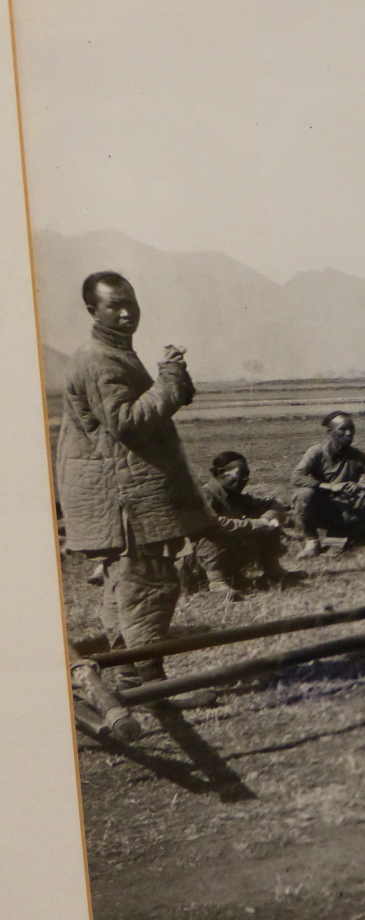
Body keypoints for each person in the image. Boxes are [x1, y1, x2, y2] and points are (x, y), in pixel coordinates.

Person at [56, 271, 216, 706]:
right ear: (93, 310)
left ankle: (129, 679)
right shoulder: (99, 359)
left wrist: (172, 383)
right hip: (124, 499)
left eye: (131, 302)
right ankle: (152, 685)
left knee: (124, 584)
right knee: (148, 582)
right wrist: (168, 381)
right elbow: (126, 422)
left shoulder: (112, 352)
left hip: (121, 492)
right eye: (114, 305)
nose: (127, 312)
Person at [186, 451, 287, 600]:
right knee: (212, 535)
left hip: (226, 558)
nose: (245, 479)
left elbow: (275, 506)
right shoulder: (202, 495)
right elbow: (211, 523)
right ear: (221, 473)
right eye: (240, 473)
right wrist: (254, 524)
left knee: (269, 525)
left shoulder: (238, 498)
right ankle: (216, 584)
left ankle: (273, 572)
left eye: (247, 474)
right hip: (195, 564)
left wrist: (266, 520)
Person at [290, 411, 365, 557]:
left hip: (348, 509)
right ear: (330, 432)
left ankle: (364, 535)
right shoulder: (316, 452)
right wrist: (329, 486)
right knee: (303, 494)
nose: (349, 433)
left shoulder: (358, 456)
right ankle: (312, 542)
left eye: (352, 429)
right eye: (343, 429)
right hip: (323, 508)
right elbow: (296, 477)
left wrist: (361, 485)